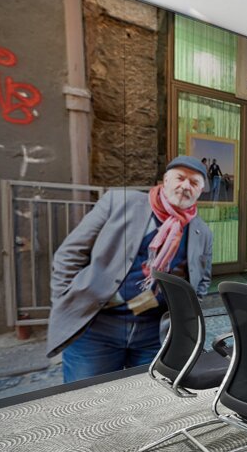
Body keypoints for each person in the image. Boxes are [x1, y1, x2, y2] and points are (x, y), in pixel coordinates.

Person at [47, 156, 213, 382]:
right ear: (165, 180)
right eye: (180, 178)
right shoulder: (120, 202)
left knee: (144, 399)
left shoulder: (201, 232)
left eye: (194, 183)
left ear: (201, 191)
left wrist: (184, 318)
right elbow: (70, 254)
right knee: (85, 403)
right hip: (97, 326)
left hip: (153, 332)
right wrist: (66, 300)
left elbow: (201, 281)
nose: (185, 186)